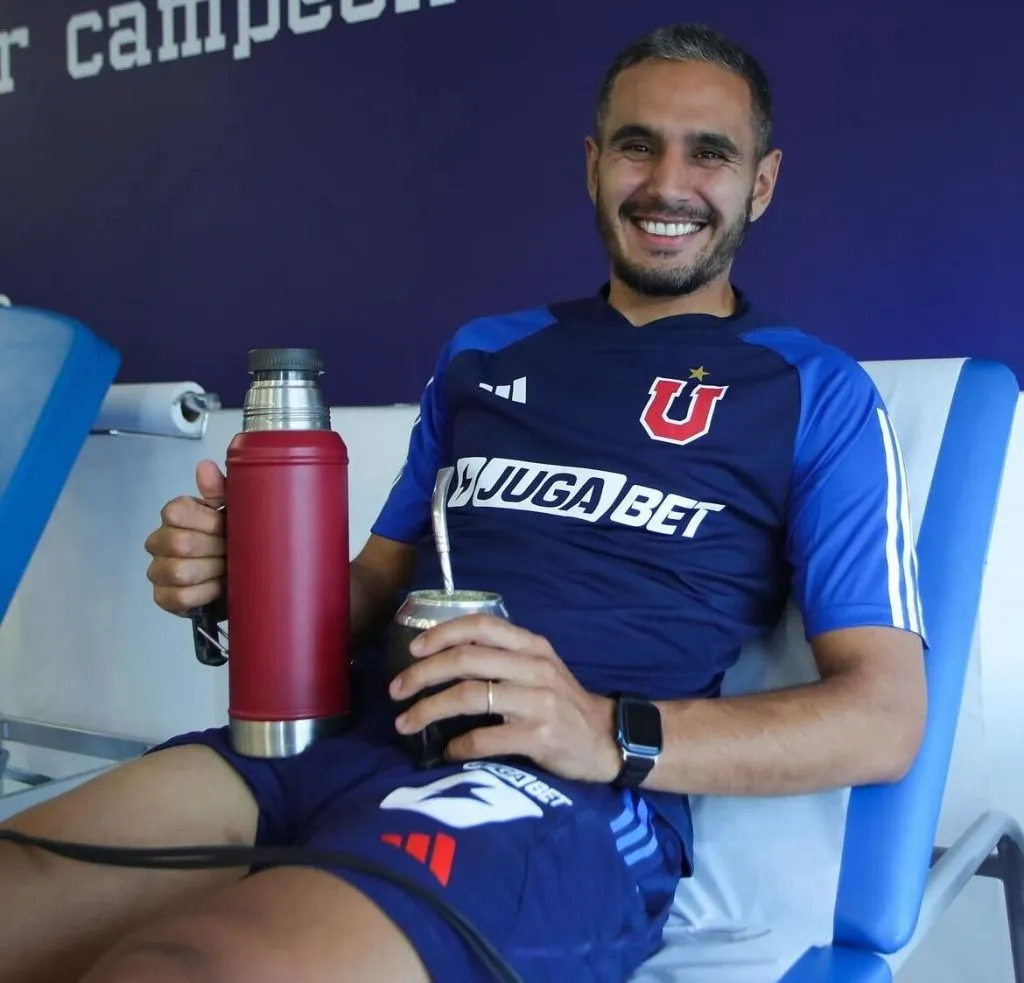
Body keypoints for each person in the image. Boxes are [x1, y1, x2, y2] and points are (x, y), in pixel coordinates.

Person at [0, 21, 927, 983]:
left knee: (187, 968)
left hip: (551, 791)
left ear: (762, 183)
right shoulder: (484, 353)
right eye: (637, 144)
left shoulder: (816, 393)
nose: (667, 184)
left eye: (711, 153)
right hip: (336, 736)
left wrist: (608, 728)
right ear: (592, 163)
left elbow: (885, 717)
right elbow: (373, 588)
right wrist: (253, 585)